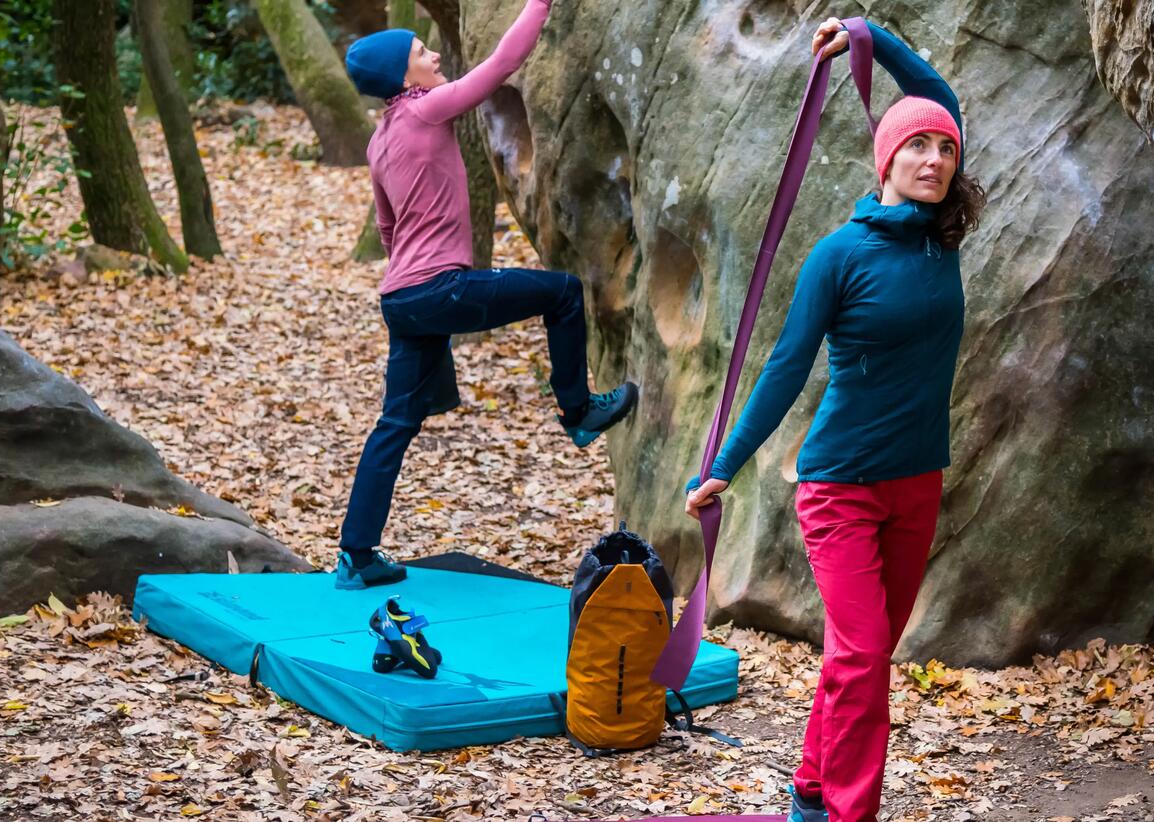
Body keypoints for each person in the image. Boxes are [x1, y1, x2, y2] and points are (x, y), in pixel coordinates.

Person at [685, 16, 984, 822]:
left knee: (864, 656)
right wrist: (728, 462)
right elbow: (785, 366)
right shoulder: (838, 257)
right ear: (885, 158)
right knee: (860, 660)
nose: (934, 159)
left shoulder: (939, 242)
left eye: (945, 151)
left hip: (918, 482)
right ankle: (851, 813)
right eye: (917, 147)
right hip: (841, 489)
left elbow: (938, 97)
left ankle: (812, 790)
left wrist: (870, 33)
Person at [336, 1, 637, 590]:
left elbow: (388, 228)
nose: (436, 55)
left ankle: (357, 554)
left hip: (401, 298)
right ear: (403, 77)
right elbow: (501, 64)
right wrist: (542, 4)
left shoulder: (380, 140)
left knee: (394, 424)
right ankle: (578, 412)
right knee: (564, 292)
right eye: (423, 54)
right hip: (438, 288)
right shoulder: (425, 111)